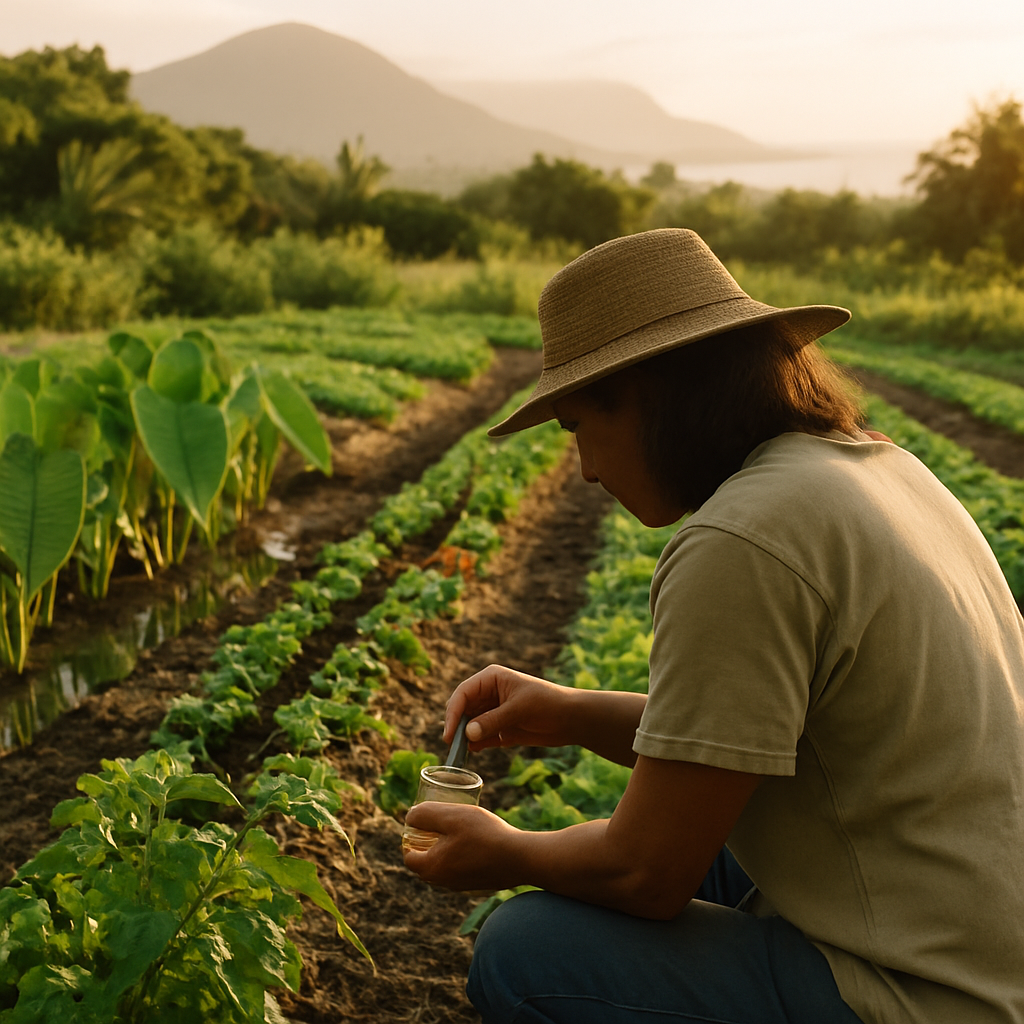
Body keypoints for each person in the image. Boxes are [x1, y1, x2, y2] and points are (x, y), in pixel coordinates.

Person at [402, 228, 1024, 1024]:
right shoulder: (874, 468)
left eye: (578, 427)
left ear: (655, 395)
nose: (585, 468)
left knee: (528, 950)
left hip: (929, 996)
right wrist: (567, 711)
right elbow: (771, 745)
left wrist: (503, 850)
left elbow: (646, 874)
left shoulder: (742, 539)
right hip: (980, 943)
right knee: (724, 852)